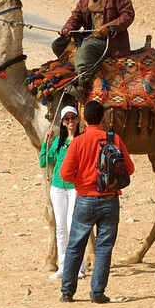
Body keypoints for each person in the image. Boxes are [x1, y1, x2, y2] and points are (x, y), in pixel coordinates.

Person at [58, 101, 135, 303]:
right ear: (102, 118)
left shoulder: (78, 142)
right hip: (110, 200)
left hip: (84, 200)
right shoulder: (113, 139)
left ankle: (67, 292)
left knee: (75, 246)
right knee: (104, 247)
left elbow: (65, 174)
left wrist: (82, 181)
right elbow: (130, 169)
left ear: (84, 119)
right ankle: (97, 292)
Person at [51, 0, 135, 101]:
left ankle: (83, 85)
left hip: (108, 41)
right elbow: (76, 16)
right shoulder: (85, 0)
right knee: (58, 44)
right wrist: (67, 28)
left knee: (84, 52)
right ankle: (76, 69)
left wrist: (110, 26)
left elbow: (128, 14)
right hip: (88, 37)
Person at [40, 105, 86, 280]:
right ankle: (63, 267)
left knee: (73, 227)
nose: (70, 122)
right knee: (60, 227)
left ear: (77, 120)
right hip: (58, 188)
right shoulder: (59, 142)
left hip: (75, 188)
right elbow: (44, 162)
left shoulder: (82, 140)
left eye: (73, 118)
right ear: (63, 122)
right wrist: (46, 142)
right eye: (67, 119)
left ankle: (79, 267)